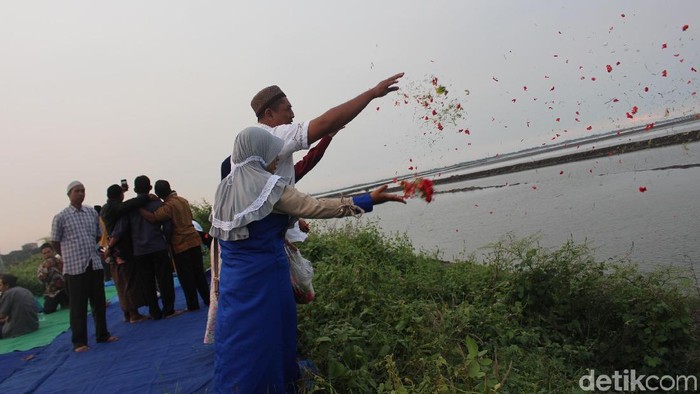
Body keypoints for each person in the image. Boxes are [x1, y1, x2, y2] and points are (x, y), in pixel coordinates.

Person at [210, 127, 405, 392]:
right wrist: (367, 199)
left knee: (240, 337)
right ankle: (275, 384)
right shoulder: (266, 187)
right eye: (272, 153)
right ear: (257, 153)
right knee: (271, 334)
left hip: (236, 281)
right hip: (266, 278)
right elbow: (315, 207)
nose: (277, 159)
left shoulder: (225, 187)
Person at [51, 181, 118, 352]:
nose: (80, 194)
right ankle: (79, 342)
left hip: (93, 264)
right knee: (78, 306)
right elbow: (55, 241)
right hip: (74, 267)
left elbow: (97, 236)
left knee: (99, 302)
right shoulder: (61, 217)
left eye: (82, 191)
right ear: (69, 194)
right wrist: (67, 255)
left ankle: (102, 334)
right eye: (76, 191)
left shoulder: (91, 212)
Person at [139, 180, 210, 311]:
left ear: (158, 193)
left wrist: (139, 208)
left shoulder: (168, 207)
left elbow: (153, 218)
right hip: (194, 239)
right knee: (199, 273)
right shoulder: (183, 200)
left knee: (186, 276)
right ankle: (207, 299)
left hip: (180, 243)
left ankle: (192, 304)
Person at [128, 176, 180, 320]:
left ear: (134, 190)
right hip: (158, 246)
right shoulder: (156, 204)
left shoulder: (130, 209)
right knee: (164, 279)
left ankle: (154, 311)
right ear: (150, 188)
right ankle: (169, 309)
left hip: (139, 250)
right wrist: (167, 240)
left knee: (147, 281)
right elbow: (168, 226)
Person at [101, 185, 148, 323]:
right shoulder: (118, 211)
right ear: (119, 196)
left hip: (114, 253)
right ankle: (134, 314)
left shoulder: (105, 209)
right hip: (122, 250)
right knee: (129, 282)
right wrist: (145, 196)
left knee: (120, 283)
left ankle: (127, 313)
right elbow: (119, 231)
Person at [0, 274, 39, 339]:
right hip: (33, 325)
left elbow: (1, 315)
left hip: (16, 330)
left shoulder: (8, 293)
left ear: (7, 285)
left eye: (0, 285)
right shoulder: (24, 290)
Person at [36, 243, 69, 314]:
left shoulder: (61, 261)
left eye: (48, 252)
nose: (47, 255)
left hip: (65, 289)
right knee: (48, 310)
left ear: (53, 252)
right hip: (52, 292)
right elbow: (41, 279)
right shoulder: (42, 266)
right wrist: (46, 268)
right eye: (44, 253)